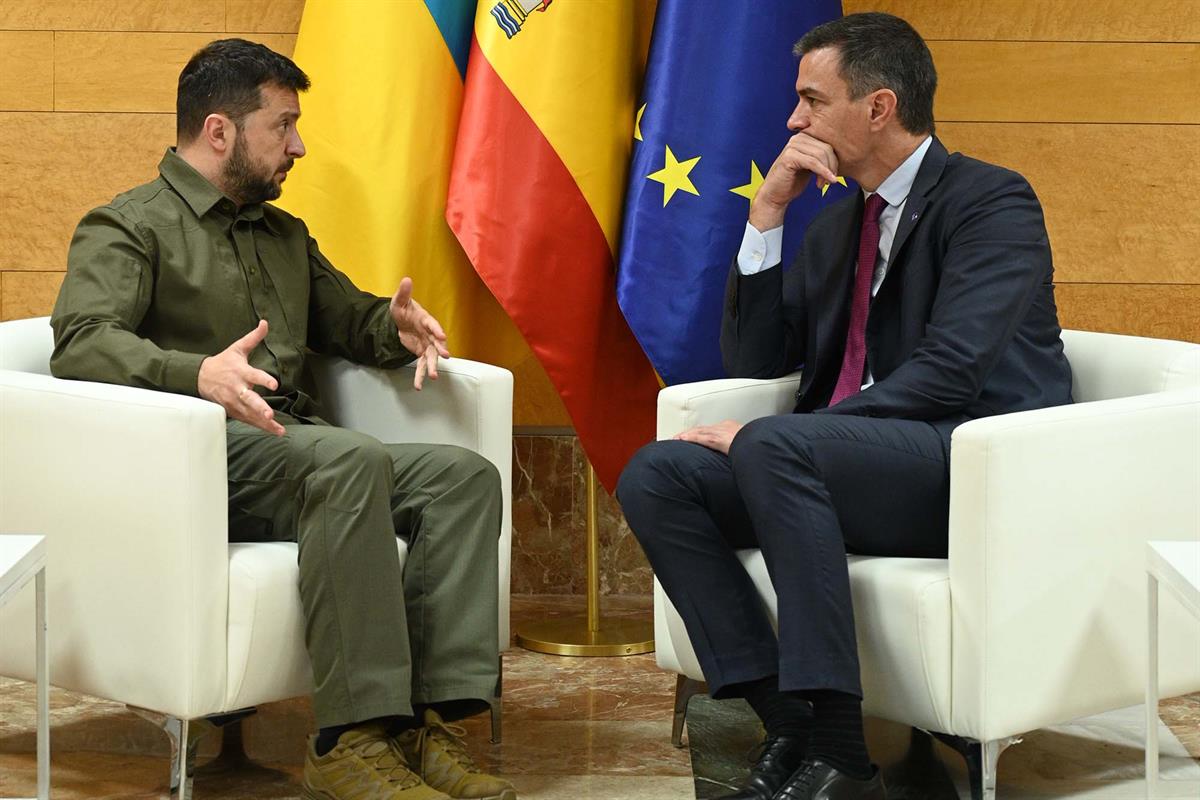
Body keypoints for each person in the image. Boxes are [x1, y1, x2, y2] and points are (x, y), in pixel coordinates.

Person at [617, 12, 1072, 800]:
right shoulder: (833, 228)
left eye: (810, 99)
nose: (793, 119)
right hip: (826, 469)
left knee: (772, 444)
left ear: (878, 107)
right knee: (658, 474)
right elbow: (757, 362)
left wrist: (781, 435)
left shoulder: (992, 202)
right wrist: (765, 218)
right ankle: (785, 718)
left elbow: (951, 373)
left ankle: (840, 745)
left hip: (960, 467)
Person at [50, 38, 515, 800]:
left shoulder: (284, 235)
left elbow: (345, 320)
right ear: (221, 131)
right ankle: (346, 741)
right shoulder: (127, 226)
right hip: (199, 459)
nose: (298, 145)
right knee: (348, 458)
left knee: (462, 478)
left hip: (299, 454)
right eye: (284, 125)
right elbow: (81, 342)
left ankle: (425, 731)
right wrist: (196, 374)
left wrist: (391, 329)